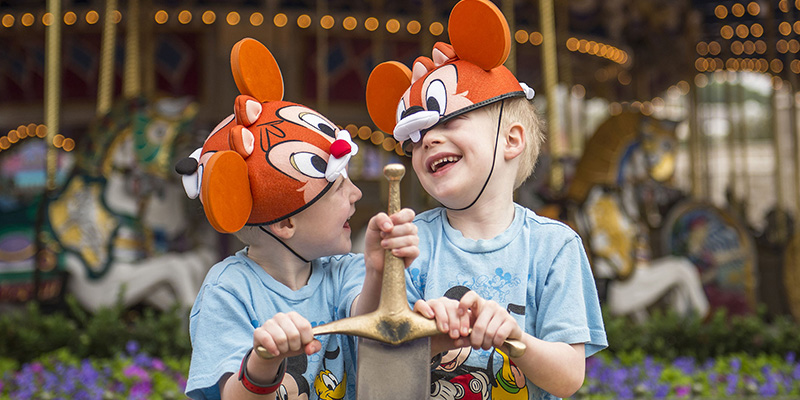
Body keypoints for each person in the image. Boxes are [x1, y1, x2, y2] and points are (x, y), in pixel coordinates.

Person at [364, 0, 607, 398]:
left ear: (511, 139)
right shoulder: (409, 244)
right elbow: (379, 364)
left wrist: (512, 337)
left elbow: (568, 377)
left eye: (447, 121)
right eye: (417, 138)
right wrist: (434, 336)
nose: (428, 140)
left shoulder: (555, 246)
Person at [175, 37, 419, 400]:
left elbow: (371, 322)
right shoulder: (227, 290)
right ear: (285, 223)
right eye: (338, 187)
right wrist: (263, 361)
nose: (357, 194)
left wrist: (378, 271)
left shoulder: (343, 270)